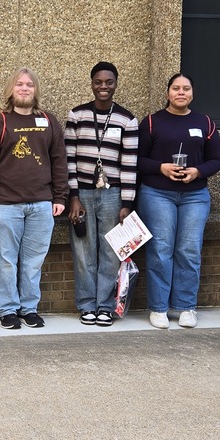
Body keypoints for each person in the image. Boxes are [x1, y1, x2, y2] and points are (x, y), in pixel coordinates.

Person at [0, 67, 68, 329]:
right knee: (6, 260)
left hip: (42, 204)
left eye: (30, 84)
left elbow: (59, 162)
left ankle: (29, 308)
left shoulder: (49, 122)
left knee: (33, 261)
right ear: (11, 90)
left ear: (36, 90)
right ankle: (6, 310)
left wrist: (59, 197)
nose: (25, 88)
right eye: (19, 84)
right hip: (6, 206)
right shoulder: (0, 123)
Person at [137, 72, 220, 329]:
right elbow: (137, 160)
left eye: (186, 88)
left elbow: (216, 160)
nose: (181, 92)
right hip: (157, 193)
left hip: (195, 196)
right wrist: (161, 168)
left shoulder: (205, 122)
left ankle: (186, 307)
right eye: (176, 88)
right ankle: (159, 307)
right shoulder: (152, 122)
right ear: (168, 93)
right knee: (161, 249)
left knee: (189, 250)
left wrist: (198, 171)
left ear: (192, 93)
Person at [64, 61, 139, 327]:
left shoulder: (127, 119)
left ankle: (105, 305)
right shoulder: (77, 115)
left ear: (116, 84)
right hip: (82, 194)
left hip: (113, 194)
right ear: (91, 83)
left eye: (109, 82)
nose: (103, 87)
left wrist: (127, 203)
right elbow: (68, 159)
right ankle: (86, 305)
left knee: (110, 252)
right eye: (98, 82)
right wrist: (72, 195)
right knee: (84, 251)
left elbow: (130, 163)